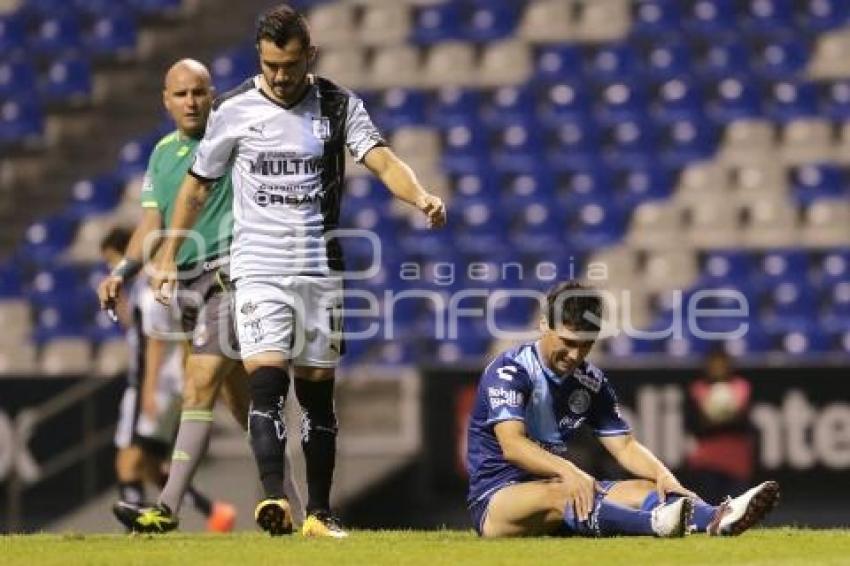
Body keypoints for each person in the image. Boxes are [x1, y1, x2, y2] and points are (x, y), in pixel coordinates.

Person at [148, 4, 446, 538]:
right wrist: (168, 253)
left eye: (288, 65)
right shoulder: (235, 107)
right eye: (269, 66)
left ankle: (320, 513)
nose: (279, 77)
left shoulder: (336, 104)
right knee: (266, 385)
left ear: (310, 55)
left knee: (315, 397)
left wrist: (419, 196)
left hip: (320, 271)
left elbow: (380, 159)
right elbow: (196, 186)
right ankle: (274, 500)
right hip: (258, 269)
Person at [99, 59, 301, 533]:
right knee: (241, 404)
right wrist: (123, 270)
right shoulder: (162, 154)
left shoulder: (233, 142)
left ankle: (165, 510)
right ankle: (290, 503)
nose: (191, 101)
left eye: (199, 92)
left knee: (198, 382)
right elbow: (151, 225)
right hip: (187, 288)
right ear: (166, 101)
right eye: (181, 94)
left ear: (213, 96)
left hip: (230, 278)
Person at [465, 281, 779, 538]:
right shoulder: (509, 371)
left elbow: (625, 446)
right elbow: (513, 445)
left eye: (586, 344)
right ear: (544, 323)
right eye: (568, 341)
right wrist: (569, 470)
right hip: (498, 501)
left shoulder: (589, 382)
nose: (576, 354)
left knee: (645, 489)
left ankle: (718, 517)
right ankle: (657, 524)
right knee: (564, 490)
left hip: (555, 486)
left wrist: (664, 476)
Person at [101, 227, 235, 532]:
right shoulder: (148, 289)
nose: (112, 268)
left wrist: (147, 391)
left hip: (153, 385)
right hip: (163, 384)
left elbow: (156, 341)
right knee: (150, 466)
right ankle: (213, 512)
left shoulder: (153, 288)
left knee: (128, 462)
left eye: (114, 260)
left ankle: (134, 529)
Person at [686, 347, 755, 504]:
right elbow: (693, 426)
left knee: (736, 511)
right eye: (714, 365)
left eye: (722, 365)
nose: (718, 369)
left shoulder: (741, 387)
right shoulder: (698, 389)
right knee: (709, 509)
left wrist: (729, 418)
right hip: (707, 462)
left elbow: (746, 424)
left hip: (737, 462)